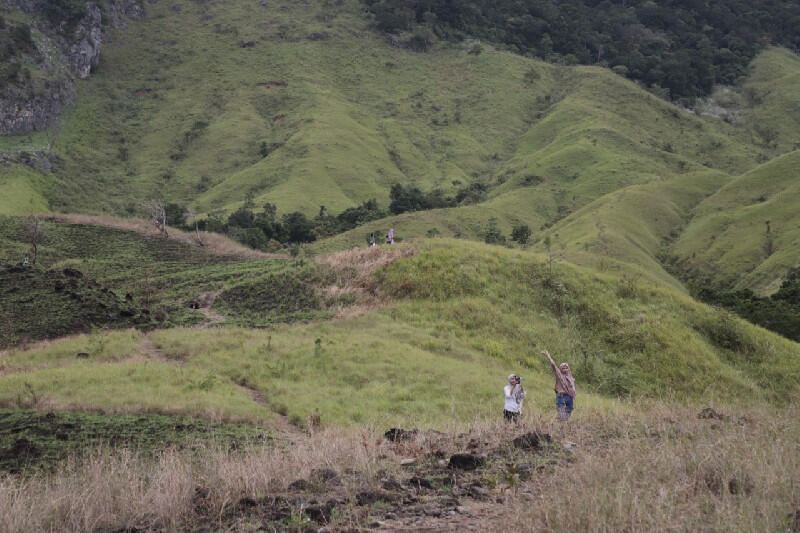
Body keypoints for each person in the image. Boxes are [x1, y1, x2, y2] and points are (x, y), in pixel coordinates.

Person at [541, 350, 576, 420]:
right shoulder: (559, 375)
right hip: (561, 396)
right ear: (561, 369)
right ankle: (561, 425)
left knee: (568, 415)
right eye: (563, 368)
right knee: (562, 415)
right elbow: (554, 365)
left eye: (566, 368)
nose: (565, 369)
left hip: (570, 397)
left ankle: (563, 426)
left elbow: (572, 387)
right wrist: (548, 356)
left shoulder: (570, 376)